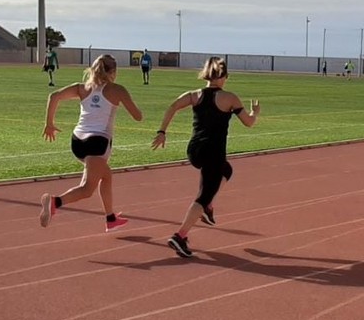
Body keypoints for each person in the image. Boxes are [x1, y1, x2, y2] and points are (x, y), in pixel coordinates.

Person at [151, 57, 259, 258]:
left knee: (226, 170)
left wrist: (162, 131)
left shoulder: (195, 95)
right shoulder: (230, 98)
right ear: (224, 76)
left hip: (194, 150)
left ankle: (208, 206)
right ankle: (180, 235)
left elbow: (173, 106)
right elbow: (249, 123)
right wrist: (255, 112)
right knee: (204, 194)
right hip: (213, 151)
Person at [41, 54, 143, 232]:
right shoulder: (117, 89)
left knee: (106, 176)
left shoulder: (82, 88)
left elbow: (54, 96)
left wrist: (49, 124)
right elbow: (138, 116)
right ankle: (55, 202)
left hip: (77, 141)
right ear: (113, 71)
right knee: (87, 189)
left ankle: (110, 218)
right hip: (97, 142)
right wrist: (125, 100)